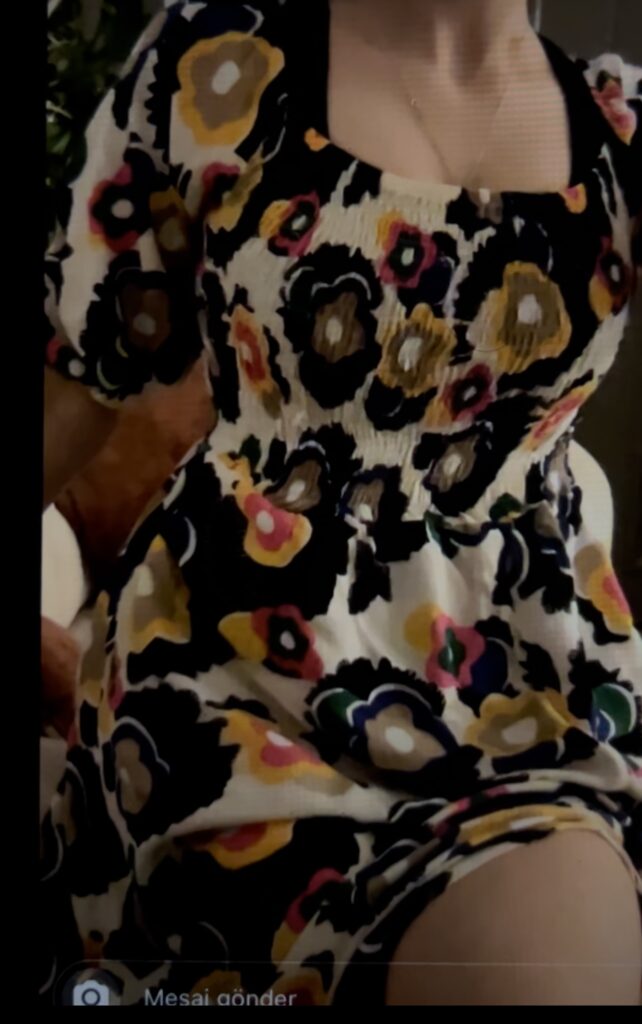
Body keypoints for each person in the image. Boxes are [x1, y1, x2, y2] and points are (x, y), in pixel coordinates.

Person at [42, 0, 642, 1006]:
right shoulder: (213, 69)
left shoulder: (618, 130)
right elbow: (74, 381)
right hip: (229, 702)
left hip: (530, 705)